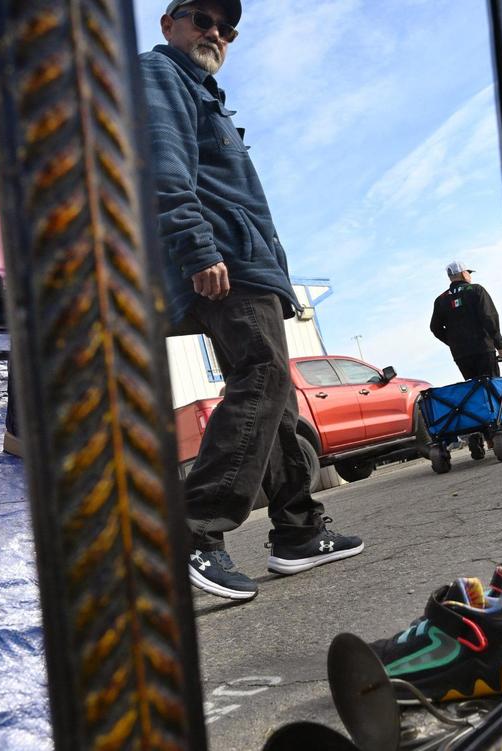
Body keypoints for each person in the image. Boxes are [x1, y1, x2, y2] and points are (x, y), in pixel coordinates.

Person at [140, 0, 362, 602]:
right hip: (224, 262)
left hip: (249, 264)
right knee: (262, 376)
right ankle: (196, 531)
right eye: (200, 18)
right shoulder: (160, 75)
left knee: (275, 392)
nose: (214, 32)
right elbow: (163, 171)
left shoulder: (205, 93)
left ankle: (298, 530)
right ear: (169, 25)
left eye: (225, 27)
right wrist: (197, 248)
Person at [430, 262, 502, 380]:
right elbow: (489, 317)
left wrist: (455, 342)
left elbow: (435, 328)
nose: (470, 276)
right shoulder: (476, 290)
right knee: (492, 391)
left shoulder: (440, 300)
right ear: (464, 274)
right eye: (469, 273)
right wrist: (500, 346)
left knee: (474, 391)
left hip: (461, 355)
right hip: (483, 350)